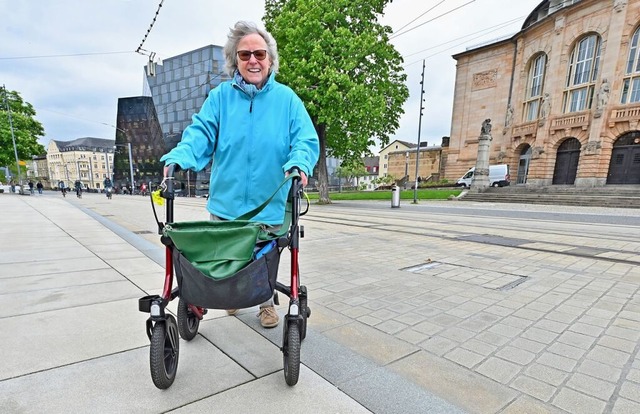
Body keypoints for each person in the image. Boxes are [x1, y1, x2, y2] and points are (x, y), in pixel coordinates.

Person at [160, 21, 319, 328]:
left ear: (270, 60)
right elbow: (200, 134)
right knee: (226, 259)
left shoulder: (286, 100)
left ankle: (265, 303)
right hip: (227, 204)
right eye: (245, 55)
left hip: (268, 205)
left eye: (259, 53)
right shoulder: (220, 98)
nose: (253, 60)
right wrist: (179, 157)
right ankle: (230, 298)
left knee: (261, 260)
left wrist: (299, 163)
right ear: (236, 61)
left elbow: (304, 140)